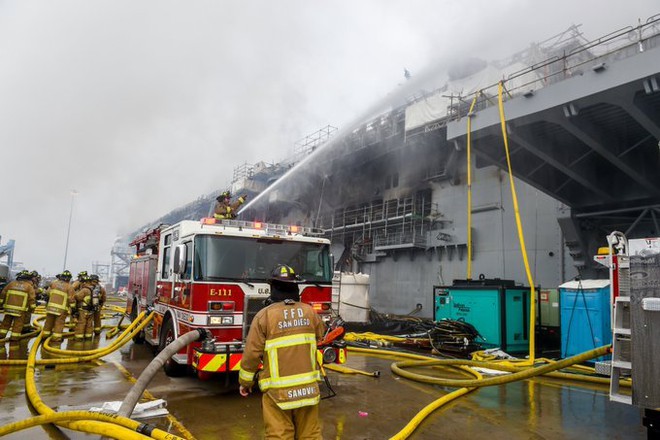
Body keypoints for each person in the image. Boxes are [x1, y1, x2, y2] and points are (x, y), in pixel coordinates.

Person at [239, 264, 325, 440]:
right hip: (307, 390)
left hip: (278, 394)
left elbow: (251, 354)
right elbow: (320, 336)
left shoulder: (264, 316)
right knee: (310, 435)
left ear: (273, 288)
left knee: (279, 436)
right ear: (295, 287)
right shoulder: (310, 312)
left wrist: (245, 383)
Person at [0, 270, 36, 341]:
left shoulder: (11, 284)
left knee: (5, 323)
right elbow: (32, 299)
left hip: (8, 309)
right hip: (20, 311)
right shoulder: (29, 287)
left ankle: (1, 336)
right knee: (17, 325)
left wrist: (1, 303)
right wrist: (32, 308)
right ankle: (14, 339)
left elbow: (3, 294)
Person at [42, 270, 76, 342]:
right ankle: (56, 338)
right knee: (59, 324)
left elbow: (47, 293)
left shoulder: (54, 284)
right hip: (61, 310)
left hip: (50, 308)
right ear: (69, 279)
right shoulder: (70, 287)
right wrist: (74, 309)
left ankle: (45, 335)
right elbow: (71, 299)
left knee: (48, 322)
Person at [73, 275, 96, 340]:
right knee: (89, 324)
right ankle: (88, 337)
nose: (82, 284)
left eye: (83, 282)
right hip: (91, 310)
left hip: (83, 310)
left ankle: (79, 338)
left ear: (85, 282)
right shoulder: (94, 290)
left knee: (81, 323)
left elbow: (78, 297)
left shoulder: (84, 290)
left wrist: (75, 294)